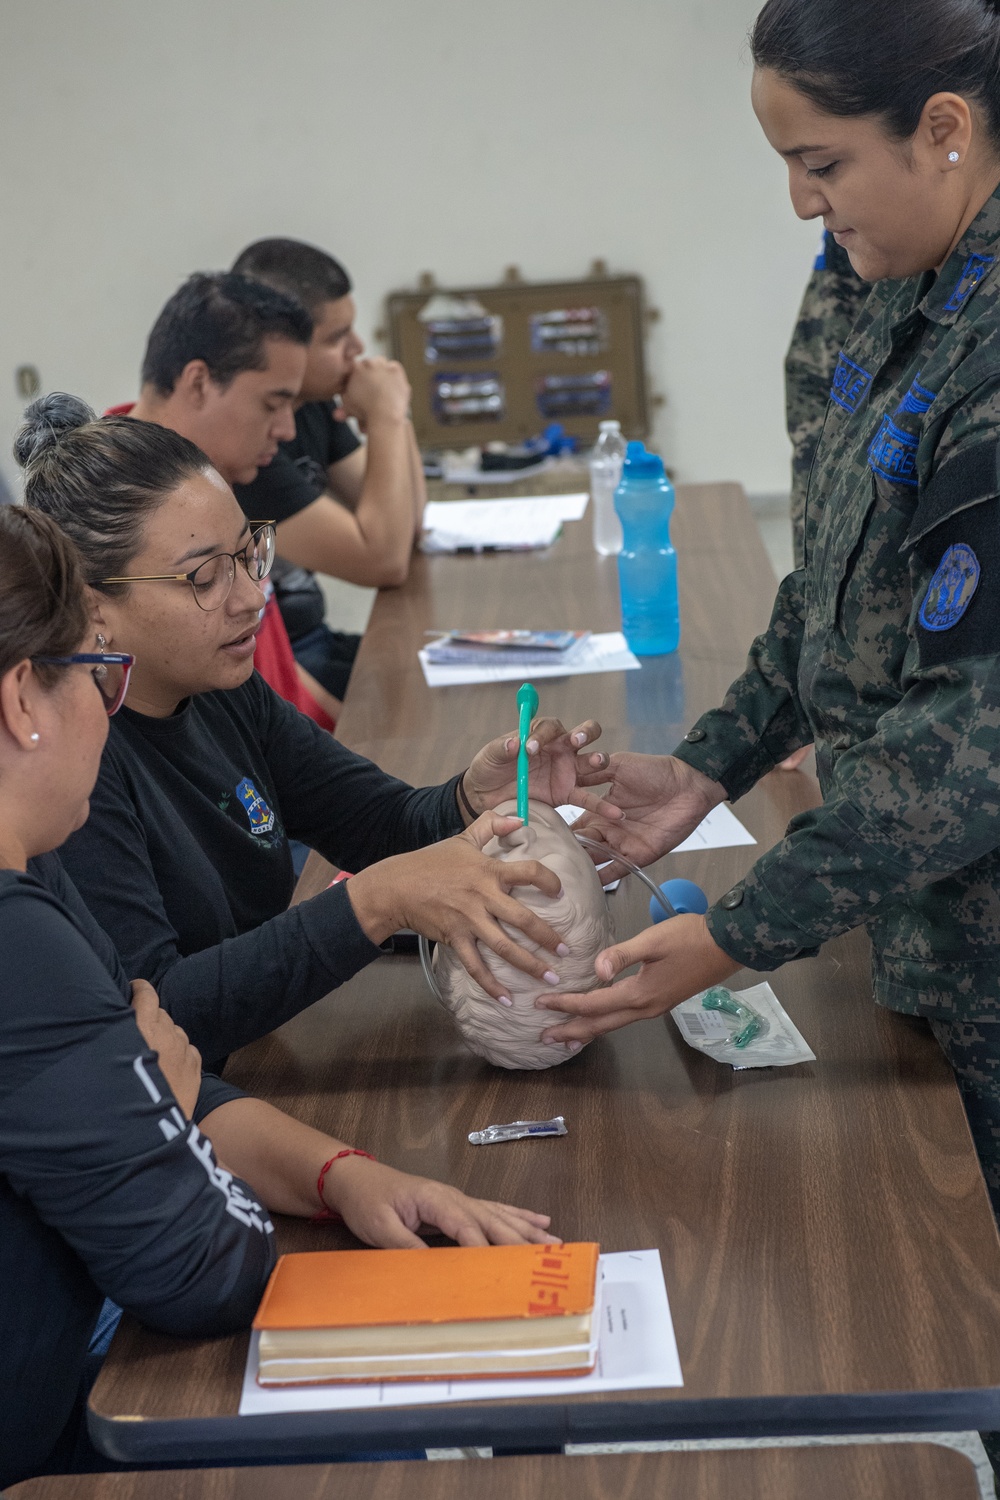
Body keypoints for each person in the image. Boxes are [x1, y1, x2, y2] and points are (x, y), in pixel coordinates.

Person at [555, 0, 1000, 1245]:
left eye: (822, 165)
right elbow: (838, 583)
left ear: (944, 130)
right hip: (926, 921)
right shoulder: (898, 292)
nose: (804, 206)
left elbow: (974, 732)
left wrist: (741, 933)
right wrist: (710, 763)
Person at [0, 506, 559, 1486]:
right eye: (100, 674)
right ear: (22, 701)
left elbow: (141, 1073)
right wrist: (165, 1118)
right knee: (481, 1407)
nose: (111, 706)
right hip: (50, 1414)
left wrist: (341, 1172)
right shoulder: (18, 940)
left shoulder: (33, 871)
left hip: (81, 1318)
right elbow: (197, 1267)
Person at [19, 395, 610, 1071]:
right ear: (94, 605)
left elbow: (375, 822)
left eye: (249, 554)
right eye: (204, 577)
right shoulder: (70, 770)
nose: (251, 597)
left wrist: (467, 801)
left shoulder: (222, 691)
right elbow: (160, 1018)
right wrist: (375, 902)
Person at [115, 269, 339, 727]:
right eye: (271, 404)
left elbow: (276, 674)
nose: (287, 430)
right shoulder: (114, 511)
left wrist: (344, 736)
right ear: (198, 383)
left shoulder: (217, 479)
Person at [231, 237, 426, 702]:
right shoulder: (248, 442)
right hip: (275, 667)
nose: (357, 350)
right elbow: (384, 561)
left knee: (442, 686)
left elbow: (411, 524)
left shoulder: (313, 405)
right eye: (338, 339)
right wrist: (385, 417)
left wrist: (395, 417)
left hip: (315, 641)